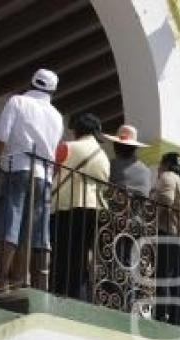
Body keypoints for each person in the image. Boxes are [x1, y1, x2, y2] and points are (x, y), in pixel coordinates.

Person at [0, 69, 63, 291]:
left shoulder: (18, 102)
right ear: (53, 90)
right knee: (31, 231)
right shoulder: (57, 116)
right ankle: (19, 280)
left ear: (31, 82)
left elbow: (1, 136)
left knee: (9, 223)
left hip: (17, 167)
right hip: (44, 175)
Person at [51, 113, 110, 300]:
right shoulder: (103, 156)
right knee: (81, 254)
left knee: (61, 252)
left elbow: (53, 171)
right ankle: (80, 294)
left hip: (65, 205)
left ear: (77, 130)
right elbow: (104, 185)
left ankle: (59, 292)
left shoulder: (67, 147)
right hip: (93, 209)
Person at [151, 152, 180, 327]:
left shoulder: (168, 177)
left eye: (160, 164)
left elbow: (164, 201)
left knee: (163, 274)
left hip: (169, 232)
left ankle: (161, 314)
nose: (159, 168)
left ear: (166, 164)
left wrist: (150, 219)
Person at [102, 124, 151, 197]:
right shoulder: (146, 170)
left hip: (116, 206)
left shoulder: (111, 165)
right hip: (139, 207)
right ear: (134, 149)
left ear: (116, 148)